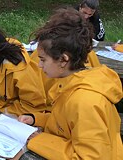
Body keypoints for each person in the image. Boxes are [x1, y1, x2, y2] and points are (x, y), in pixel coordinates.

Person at [18, 8, 123, 159]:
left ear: (63, 59)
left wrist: (39, 140)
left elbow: (90, 157)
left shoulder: (86, 101)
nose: (40, 66)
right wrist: (36, 119)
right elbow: (67, 124)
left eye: (43, 59)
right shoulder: (69, 82)